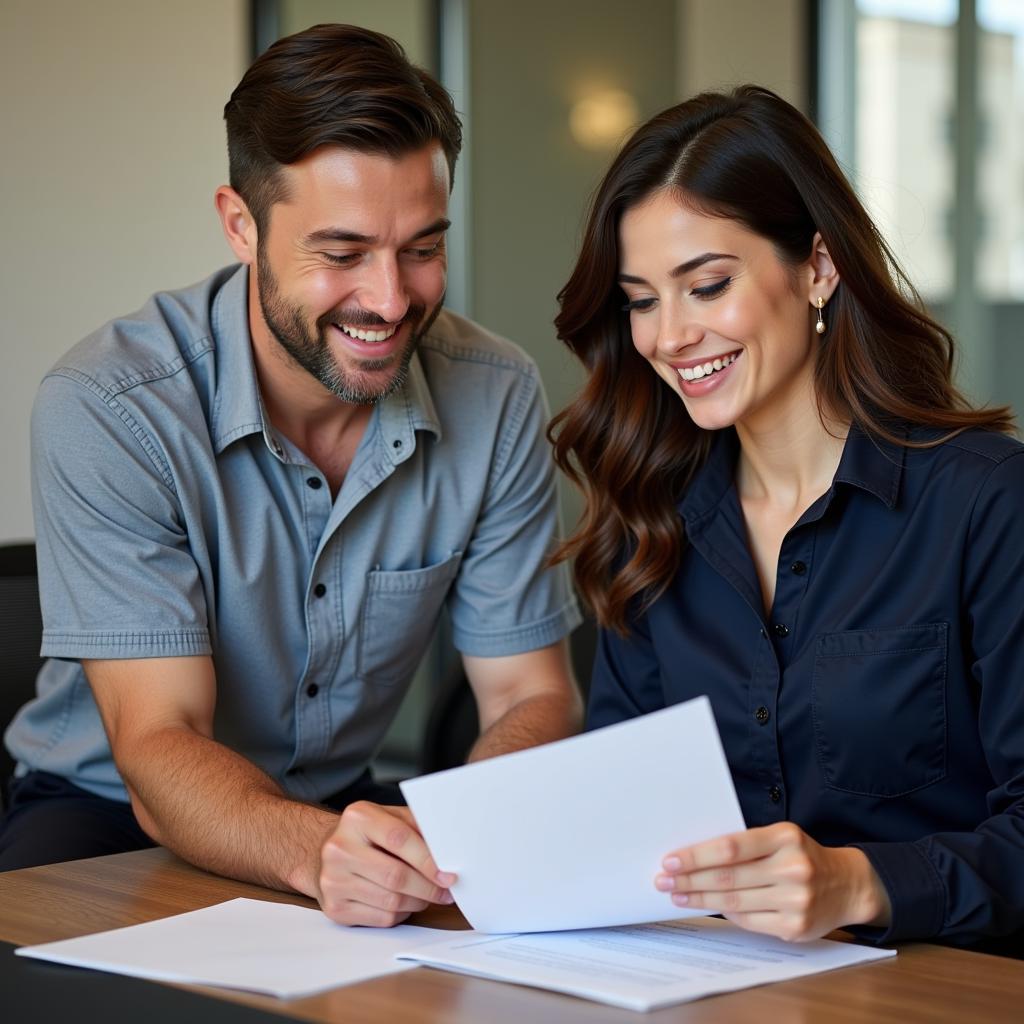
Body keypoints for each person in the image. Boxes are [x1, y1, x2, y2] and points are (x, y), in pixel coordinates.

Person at [0, 24, 582, 926]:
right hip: (107, 811)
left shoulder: (496, 393)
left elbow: (530, 693)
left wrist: (465, 837)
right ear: (242, 225)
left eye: (422, 248)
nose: (391, 301)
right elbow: (160, 746)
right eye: (342, 254)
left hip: (344, 803)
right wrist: (322, 853)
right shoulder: (110, 406)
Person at [550, 85, 1024, 952]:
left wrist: (861, 881)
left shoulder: (986, 504)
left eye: (708, 286)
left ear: (817, 267)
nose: (669, 336)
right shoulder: (650, 522)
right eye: (643, 299)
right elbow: (624, 824)